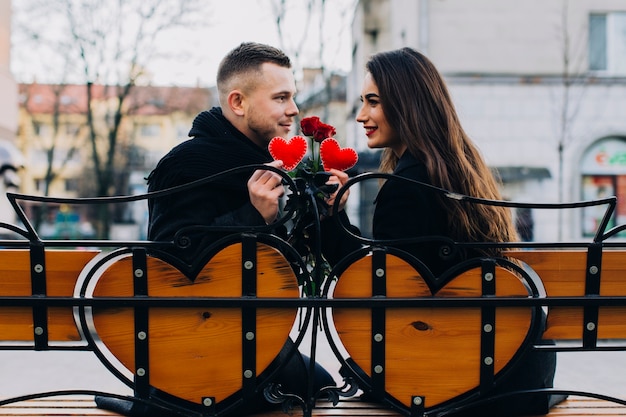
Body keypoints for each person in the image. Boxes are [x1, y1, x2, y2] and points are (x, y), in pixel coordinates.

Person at [96, 42, 336, 417]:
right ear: (238, 103)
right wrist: (252, 216)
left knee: (322, 386)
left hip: (254, 334)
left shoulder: (270, 166)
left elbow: (327, 255)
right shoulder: (188, 165)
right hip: (201, 341)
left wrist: (328, 212)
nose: (293, 109)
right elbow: (171, 263)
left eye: (293, 97)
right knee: (315, 389)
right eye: (281, 97)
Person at [329, 47, 560, 416]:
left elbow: (376, 293)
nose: (361, 115)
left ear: (407, 103)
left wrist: (329, 222)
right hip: (514, 368)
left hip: (473, 381)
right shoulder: (458, 168)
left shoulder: (408, 186)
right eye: (362, 102)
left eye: (373, 102)